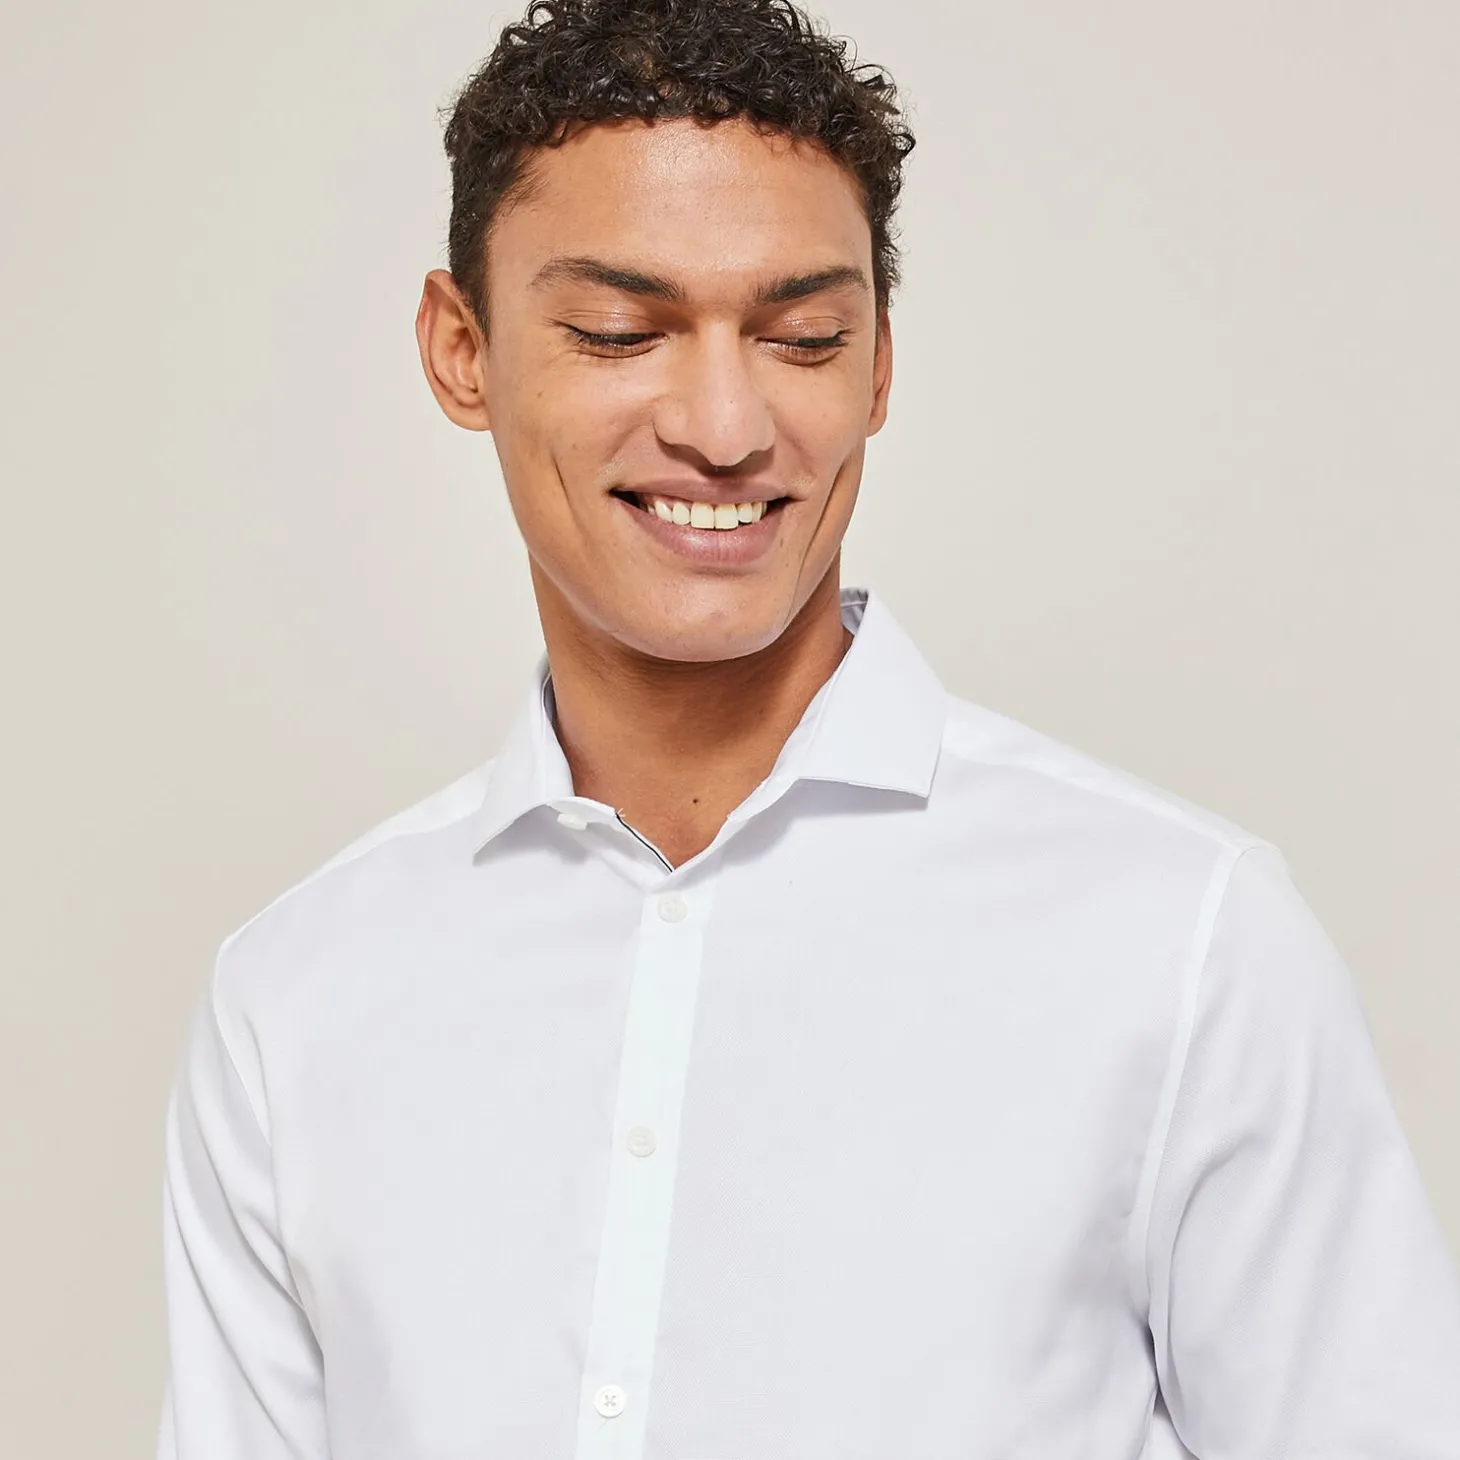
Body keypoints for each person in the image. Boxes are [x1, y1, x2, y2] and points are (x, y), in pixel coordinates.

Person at [155, 1, 1460, 1456]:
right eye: (620, 331)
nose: (724, 428)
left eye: (803, 337)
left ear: (879, 366)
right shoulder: (296, 999)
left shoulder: (1186, 943)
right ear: (463, 351)